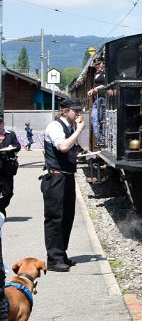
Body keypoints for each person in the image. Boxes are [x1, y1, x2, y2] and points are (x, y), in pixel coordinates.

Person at [42, 99, 85, 272]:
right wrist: (79, 130)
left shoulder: (70, 127)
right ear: (65, 111)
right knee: (55, 218)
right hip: (55, 178)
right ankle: (53, 259)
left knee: (67, 216)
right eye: (76, 110)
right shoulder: (55, 126)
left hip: (67, 177)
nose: (78, 113)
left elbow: (70, 150)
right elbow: (63, 147)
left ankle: (61, 253)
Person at [0, 119, 21, 216]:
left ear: (3, 124)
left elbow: (18, 146)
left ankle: (0, 207)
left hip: (8, 168)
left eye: (0, 123)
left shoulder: (10, 134)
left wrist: (10, 148)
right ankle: (1, 215)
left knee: (8, 193)